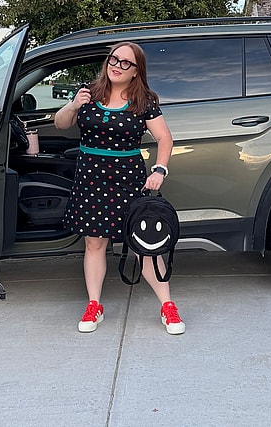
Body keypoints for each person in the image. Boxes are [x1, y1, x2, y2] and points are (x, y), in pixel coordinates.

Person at [54, 42, 185, 335]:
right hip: (90, 179)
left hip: (128, 179)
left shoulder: (144, 100)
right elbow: (61, 124)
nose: (117, 66)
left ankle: (167, 306)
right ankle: (94, 305)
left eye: (126, 63)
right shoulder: (89, 93)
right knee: (94, 243)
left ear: (137, 71)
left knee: (144, 243)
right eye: (114, 59)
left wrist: (160, 169)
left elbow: (165, 138)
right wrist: (73, 105)